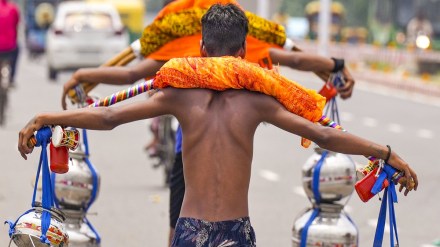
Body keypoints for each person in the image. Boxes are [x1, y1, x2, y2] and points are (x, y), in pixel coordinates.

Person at [19, 4, 417, 246]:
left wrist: (47, 118)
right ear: (245, 52)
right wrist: (384, 152)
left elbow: (107, 117)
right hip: (237, 235)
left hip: (189, 232)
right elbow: (325, 133)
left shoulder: (177, 95)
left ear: (201, 49)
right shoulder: (258, 101)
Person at [0, 0, 20, 87]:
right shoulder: (13, 8)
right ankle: (11, 77)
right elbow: (16, 24)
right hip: (9, 46)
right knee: (18, 49)